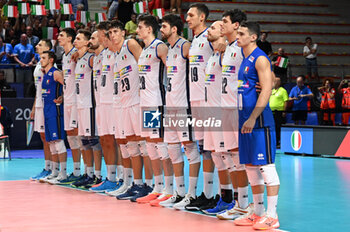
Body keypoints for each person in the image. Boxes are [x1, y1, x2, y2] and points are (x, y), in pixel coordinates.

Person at [234, 21, 280, 230]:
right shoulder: (244, 59)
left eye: (242, 33)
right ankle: (258, 212)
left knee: (266, 167)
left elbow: (267, 89)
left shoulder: (260, 58)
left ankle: (272, 215)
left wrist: (253, 117)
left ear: (253, 37)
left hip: (259, 121)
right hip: (245, 119)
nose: (238, 36)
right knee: (251, 166)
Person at [126, 14, 174, 204]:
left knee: (160, 144)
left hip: (156, 101)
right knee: (150, 145)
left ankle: (169, 188)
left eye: (140, 27)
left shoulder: (159, 47)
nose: (137, 30)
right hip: (144, 102)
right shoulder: (145, 50)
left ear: (149, 29)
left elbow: (174, 70)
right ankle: (158, 186)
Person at [105, 20, 154, 201]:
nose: (113, 35)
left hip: (139, 101)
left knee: (146, 145)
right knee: (131, 145)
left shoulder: (130, 44)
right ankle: (137, 183)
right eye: (110, 32)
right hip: (125, 104)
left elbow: (145, 65)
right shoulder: (116, 55)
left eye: (116, 31)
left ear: (123, 33)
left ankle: (150, 184)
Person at [158, 14, 201, 207]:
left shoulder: (185, 46)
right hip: (170, 104)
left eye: (164, 26)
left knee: (190, 148)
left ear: (174, 29)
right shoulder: (169, 48)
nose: (161, 29)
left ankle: (191, 194)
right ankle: (179, 192)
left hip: (184, 105)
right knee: (172, 149)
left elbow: (197, 72)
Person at [178, 3, 215, 211]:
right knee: (203, 148)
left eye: (191, 15)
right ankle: (206, 194)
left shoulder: (211, 36)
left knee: (215, 149)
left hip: (209, 100)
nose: (187, 18)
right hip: (195, 100)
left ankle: (215, 194)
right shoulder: (193, 42)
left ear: (202, 17)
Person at [216, 9, 250, 220]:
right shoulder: (228, 47)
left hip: (239, 109)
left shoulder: (242, 47)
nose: (221, 24)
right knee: (232, 158)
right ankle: (240, 204)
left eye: (225, 21)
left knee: (242, 159)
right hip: (225, 108)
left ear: (236, 25)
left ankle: (248, 205)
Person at [71, 30, 103, 188]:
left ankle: (97, 175)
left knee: (93, 141)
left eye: (78, 39)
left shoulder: (91, 58)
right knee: (83, 141)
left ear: (86, 43)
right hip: (80, 104)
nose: (75, 41)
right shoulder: (79, 59)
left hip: (90, 104)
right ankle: (88, 173)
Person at [57, 28, 84, 185]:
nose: (58, 37)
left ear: (70, 38)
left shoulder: (76, 53)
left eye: (62, 35)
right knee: (70, 135)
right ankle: (76, 170)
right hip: (67, 99)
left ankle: (83, 171)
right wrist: (63, 93)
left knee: (77, 134)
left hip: (76, 99)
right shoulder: (65, 56)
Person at [40, 51, 67, 184]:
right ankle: (55, 172)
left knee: (58, 141)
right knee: (51, 142)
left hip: (55, 111)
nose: (41, 60)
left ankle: (63, 174)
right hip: (47, 110)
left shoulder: (56, 73)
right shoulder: (45, 74)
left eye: (44, 58)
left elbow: (68, 86)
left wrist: (63, 97)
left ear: (51, 60)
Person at [30, 39, 53, 181]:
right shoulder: (39, 63)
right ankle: (47, 167)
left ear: (48, 48)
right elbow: (38, 89)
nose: (37, 46)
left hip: (47, 103)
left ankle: (54, 168)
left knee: (50, 137)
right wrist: (33, 107)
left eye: (40, 44)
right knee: (43, 137)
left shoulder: (50, 63)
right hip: (39, 103)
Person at [269, 77, 289, 147]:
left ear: (279, 83)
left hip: (279, 112)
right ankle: (273, 141)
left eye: (276, 82)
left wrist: (284, 111)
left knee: (278, 127)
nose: (274, 83)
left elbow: (286, 101)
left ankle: (278, 142)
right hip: (271, 112)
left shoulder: (283, 91)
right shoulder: (271, 90)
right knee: (272, 127)